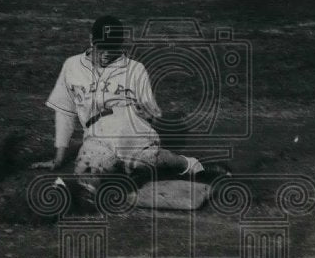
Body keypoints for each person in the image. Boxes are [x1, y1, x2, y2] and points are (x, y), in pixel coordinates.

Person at [32, 15, 213, 183]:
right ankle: (126, 174)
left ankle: (187, 164)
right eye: (102, 47)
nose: (106, 53)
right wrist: (58, 158)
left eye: (112, 48)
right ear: (91, 40)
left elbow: (152, 114)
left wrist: (146, 113)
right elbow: (65, 114)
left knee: (143, 162)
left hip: (130, 127)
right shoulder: (72, 66)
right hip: (97, 134)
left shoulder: (135, 69)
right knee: (85, 173)